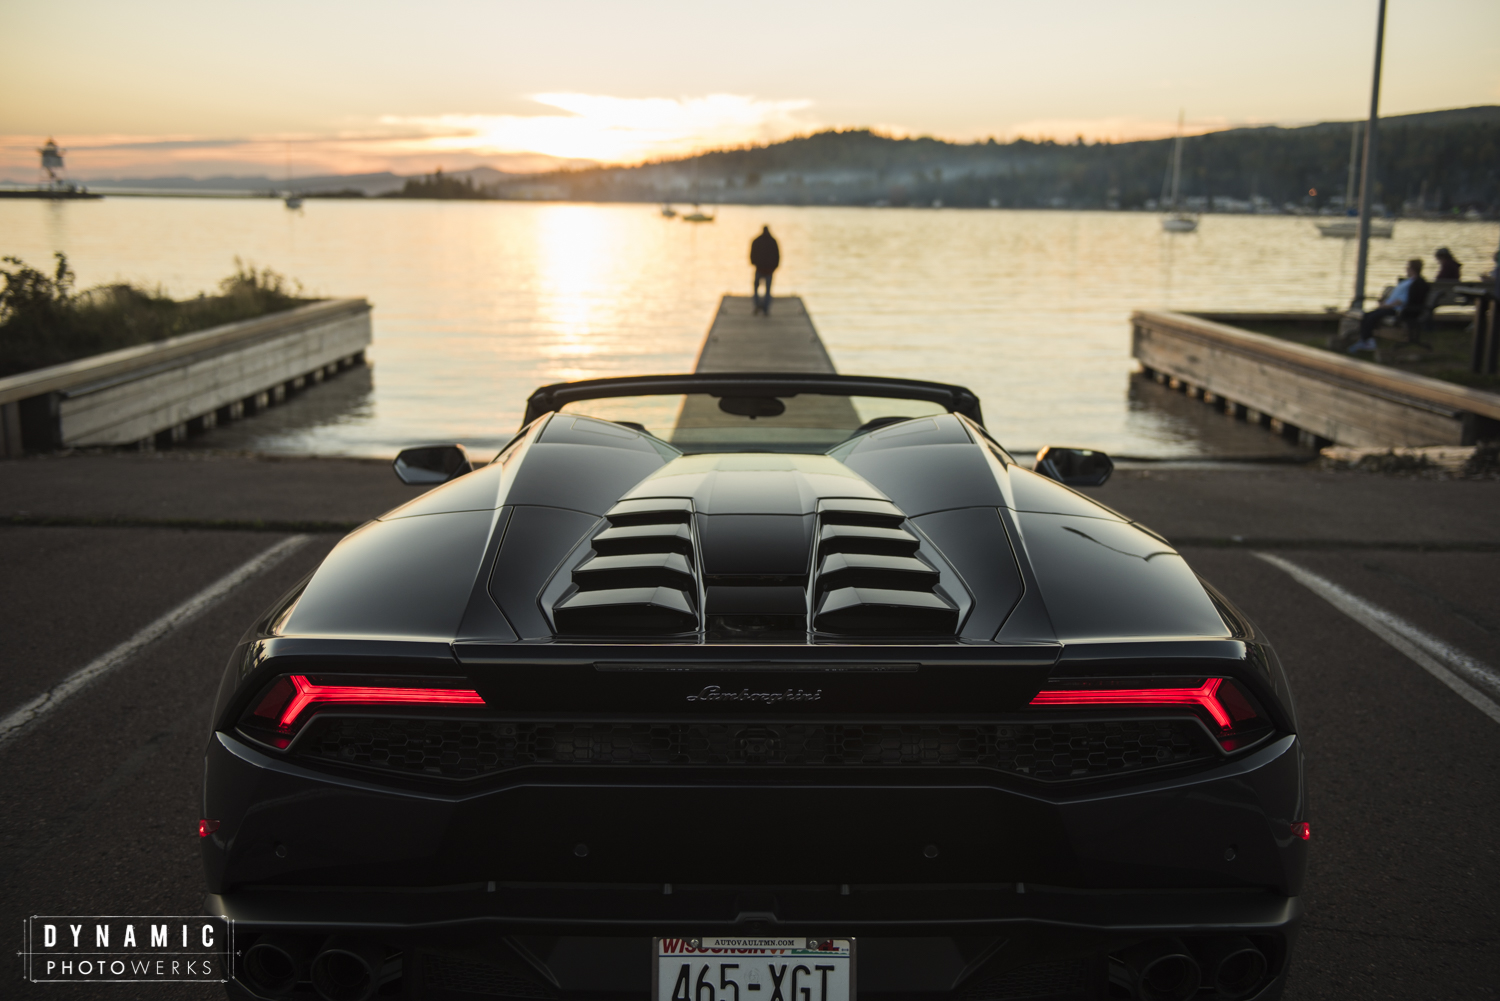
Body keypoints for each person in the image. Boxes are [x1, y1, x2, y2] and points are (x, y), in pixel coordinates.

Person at [1349, 259, 1429, 353]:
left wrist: (1387, 306)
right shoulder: (1409, 282)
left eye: (1408, 267)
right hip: (1392, 307)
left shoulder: (1415, 283)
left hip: (1398, 310)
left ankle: (1368, 342)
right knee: (1367, 315)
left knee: (1371, 317)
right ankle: (1366, 340)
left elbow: (1403, 300)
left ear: (1412, 269)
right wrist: (1385, 303)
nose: (1406, 269)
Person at [749, 226, 780, 315]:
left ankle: (757, 305)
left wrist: (754, 263)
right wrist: (774, 267)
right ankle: (765, 309)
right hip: (769, 271)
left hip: (759, 269)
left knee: (755, 288)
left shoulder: (756, 241)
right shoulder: (773, 241)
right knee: (768, 291)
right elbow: (777, 256)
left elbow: (752, 254)